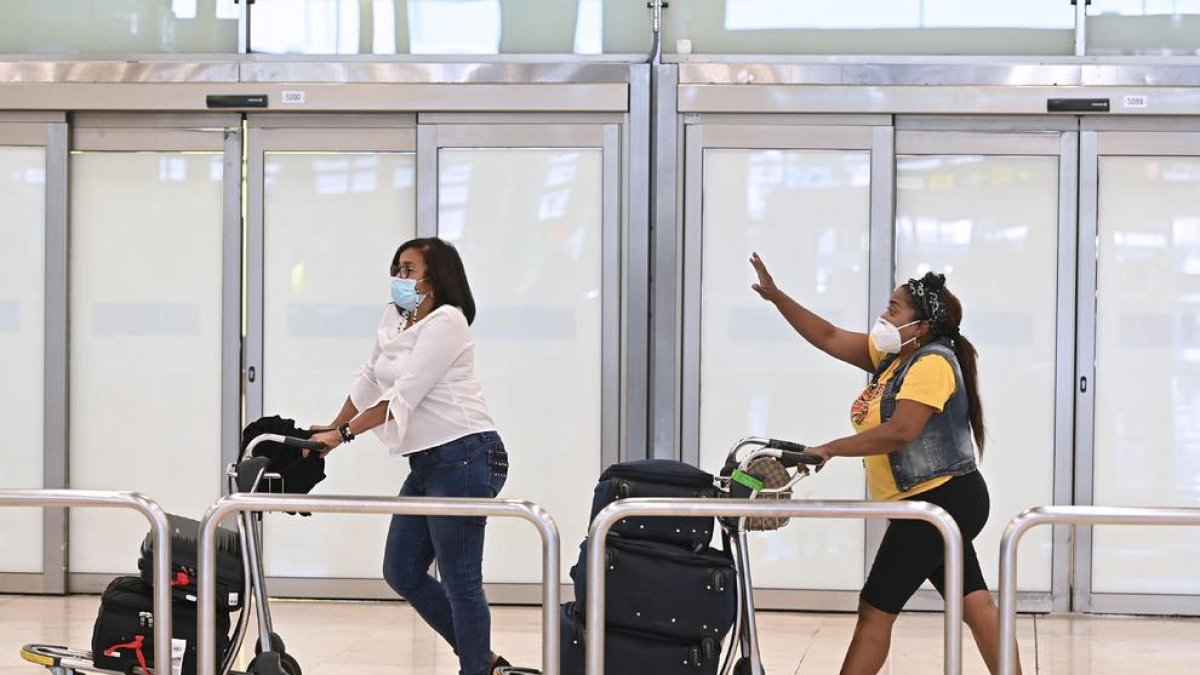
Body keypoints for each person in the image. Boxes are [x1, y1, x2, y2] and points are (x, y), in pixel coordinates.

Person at [748, 253, 1022, 675]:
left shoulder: (933, 363)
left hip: (938, 501)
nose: (883, 316)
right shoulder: (896, 357)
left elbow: (901, 430)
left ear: (921, 326)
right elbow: (827, 335)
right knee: (975, 602)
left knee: (875, 608)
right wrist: (777, 297)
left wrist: (831, 448)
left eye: (893, 310)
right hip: (934, 501)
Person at [310, 237, 513, 675]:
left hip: (467, 455)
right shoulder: (395, 318)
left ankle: (475, 668)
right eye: (397, 269)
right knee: (401, 569)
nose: (399, 278)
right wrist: (330, 426)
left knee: (460, 578)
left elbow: (404, 396)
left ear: (436, 278)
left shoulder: (447, 322)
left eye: (409, 270)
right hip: (427, 462)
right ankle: (484, 661)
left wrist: (343, 436)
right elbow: (369, 378)